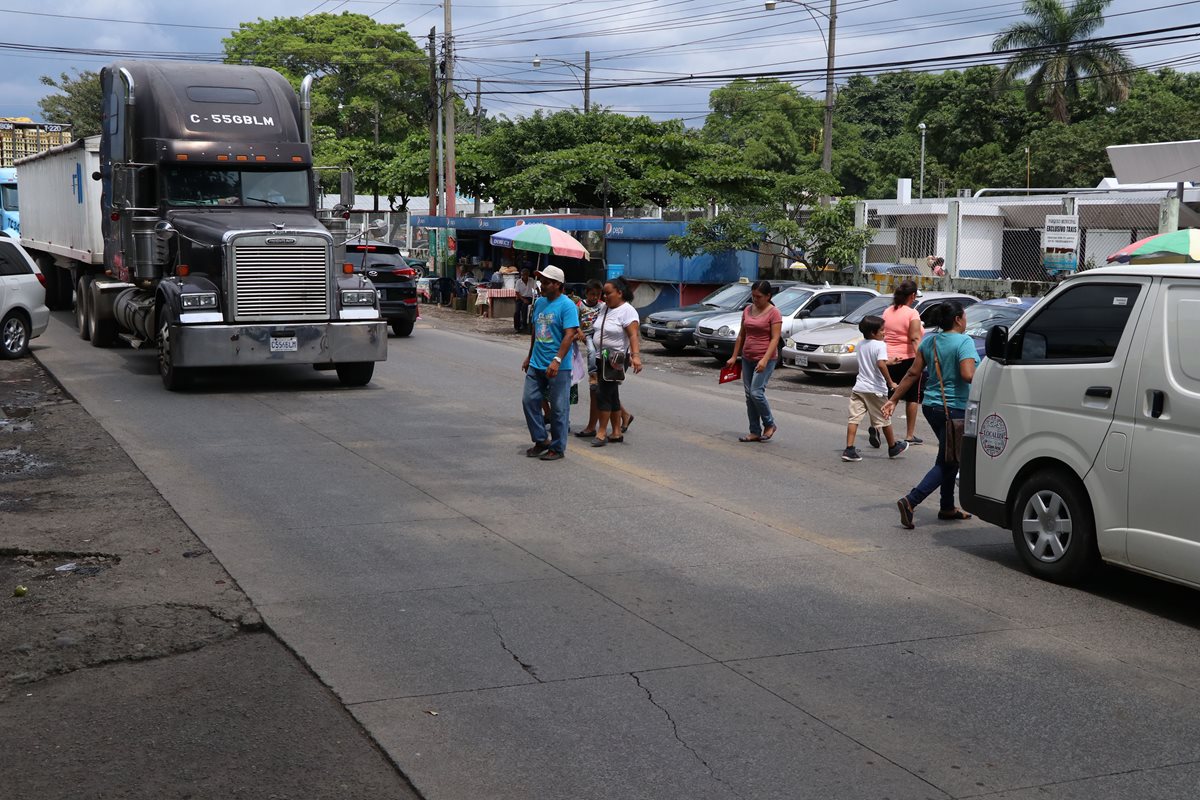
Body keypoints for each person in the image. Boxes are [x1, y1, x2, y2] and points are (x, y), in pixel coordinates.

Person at [884, 301, 978, 529]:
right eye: (964, 317)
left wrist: (894, 399)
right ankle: (911, 500)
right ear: (957, 319)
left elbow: (913, 373)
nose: (965, 321)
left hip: (931, 406)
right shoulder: (964, 341)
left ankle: (947, 507)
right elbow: (967, 374)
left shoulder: (930, 341)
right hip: (953, 409)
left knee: (948, 456)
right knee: (949, 461)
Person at [521, 265, 580, 462]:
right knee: (529, 401)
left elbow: (570, 335)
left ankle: (557, 447)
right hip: (537, 363)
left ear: (558, 284)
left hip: (558, 367)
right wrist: (529, 356)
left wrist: (556, 360)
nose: (542, 286)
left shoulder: (567, 306)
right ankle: (541, 440)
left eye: (546, 282)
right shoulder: (539, 303)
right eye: (541, 282)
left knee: (558, 408)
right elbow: (535, 332)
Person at [842, 316, 908, 462]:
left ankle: (849, 449)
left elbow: (876, 362)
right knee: (885, 418)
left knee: (854, 418)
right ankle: (893, 447)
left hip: (859, 388)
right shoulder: (880, 345)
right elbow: (879, 364)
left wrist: (890, 361)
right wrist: (891, 382)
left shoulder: (860, 344)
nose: (884, 333)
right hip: (875, 389)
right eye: (882, 330)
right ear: (873, 332)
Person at [726, 280, 782, 443]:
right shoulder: (748, 310)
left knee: (756, 393)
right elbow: (742, 335)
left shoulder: (774, 313)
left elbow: (775, 338)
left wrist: (764, 359)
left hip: (765, 358)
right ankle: (754, 431)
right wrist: (733, 356)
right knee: (749, 395)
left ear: (768, 296)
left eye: (758, 297)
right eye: (753, 296)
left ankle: (770, 424)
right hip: (747, 357)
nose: (755, 299)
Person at [590, 277, 642, 447]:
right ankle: (617, 432)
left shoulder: (627, 311)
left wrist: (635, 356)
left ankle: (602, 431)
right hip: (601, 357)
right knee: (612, 394)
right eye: (604, 294)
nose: (605, 297)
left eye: (608, 293)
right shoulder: (605, 308)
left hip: (615, 360)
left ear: (620, 293)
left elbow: (633, 335)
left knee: (603, 393)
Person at [877, 280, 924, 447]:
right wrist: (921, 358)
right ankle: (910, 435)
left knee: (891, 395)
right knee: (912, 397)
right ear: (912, 296)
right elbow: (915, 338)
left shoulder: (887, 311)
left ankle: (877, 426)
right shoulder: (912, 314)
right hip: (908, 359)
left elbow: (882, 334)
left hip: (889, 359)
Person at [514, 268, 536, 332]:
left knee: (525, 307)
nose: (524, 276)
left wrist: (539, 294)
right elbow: (517, 293)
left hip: (529, 297)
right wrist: (523, 299)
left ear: (528, 275)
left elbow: (536, 288)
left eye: (526, 275)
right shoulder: (518, 282)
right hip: (520, 297)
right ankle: (517, 327)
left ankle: (524, 324)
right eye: (523, 275)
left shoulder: (531, 280)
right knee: (517, 312)